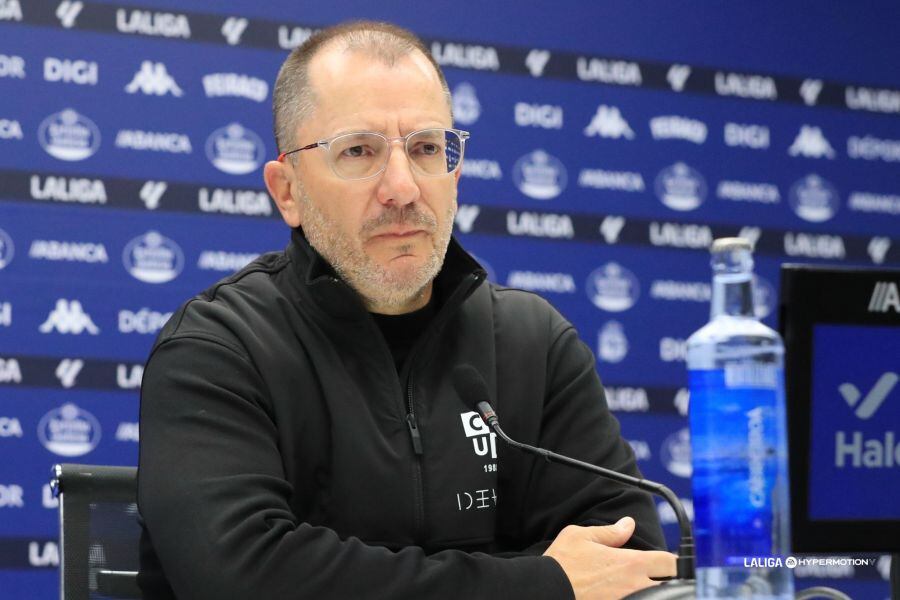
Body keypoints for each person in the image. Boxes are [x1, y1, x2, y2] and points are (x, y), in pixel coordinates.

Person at [137, 20, 675, 600]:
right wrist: (537, 583)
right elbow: (246, 578)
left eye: (425, 149)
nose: (402, 187)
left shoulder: (534, 344)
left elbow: (630, 564)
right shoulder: (218, 350)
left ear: (455, 172)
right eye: (359, 151)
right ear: (287, 190)